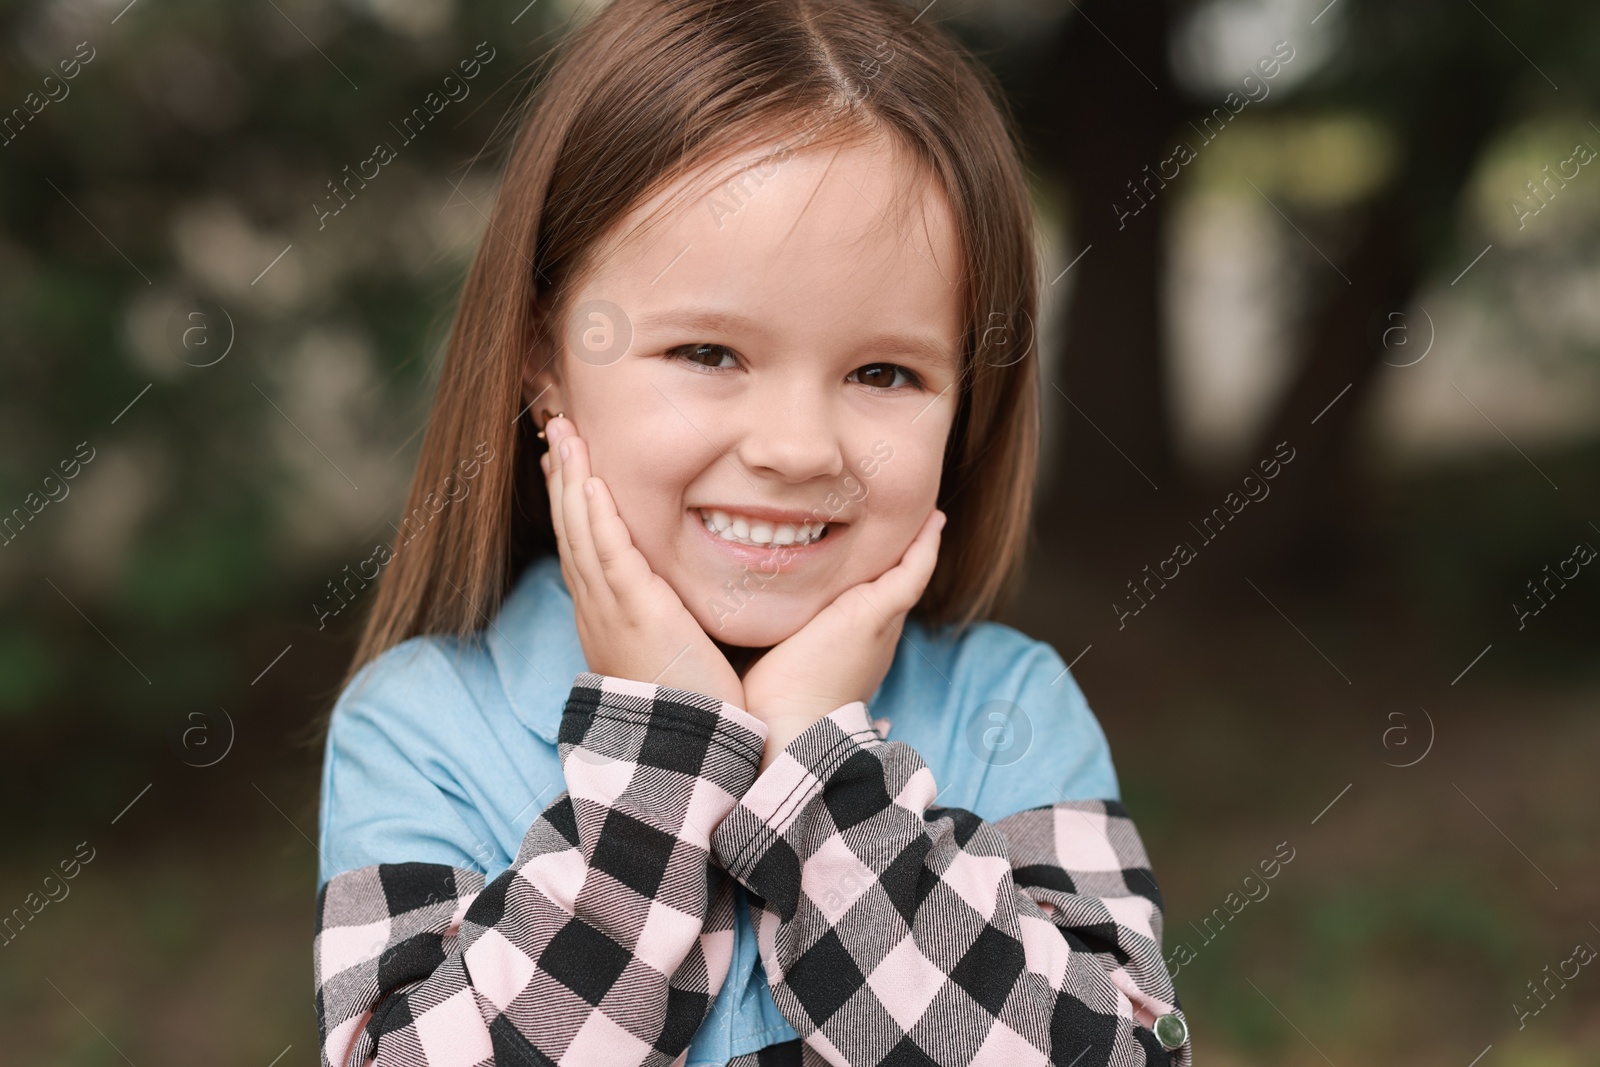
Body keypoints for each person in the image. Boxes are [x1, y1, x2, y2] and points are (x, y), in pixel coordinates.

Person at [311, 1, 1192, 1063]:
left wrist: (821, 775)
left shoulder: (1007, 712)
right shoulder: (424, 725)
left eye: (883, 373)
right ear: (543, 351)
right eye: (708, 352)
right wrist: (664, 759)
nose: (795, 447)